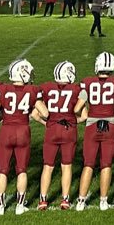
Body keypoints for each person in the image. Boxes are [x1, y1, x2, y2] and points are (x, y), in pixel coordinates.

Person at [0, 60, 36, 215]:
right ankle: (20, 206)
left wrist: (1, 113)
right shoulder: (32, 90)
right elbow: (45, 113)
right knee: (21, 170)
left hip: (6, 130)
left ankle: (0, 207)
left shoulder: (3, 89)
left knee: (3, 170)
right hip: (23, 130)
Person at [36, 60, 82, 210]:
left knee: (48, 166)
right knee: (66, 166)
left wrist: (47, 124)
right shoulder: (76, 89)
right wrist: (73, 123)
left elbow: (35, 113)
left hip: (52, 129)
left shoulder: (46, 88)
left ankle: (43, 200)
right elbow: (84, 115)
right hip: (69, 130)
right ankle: (65, 200)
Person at [77, 55, 114, 211]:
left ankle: (81, 202)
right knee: (106, 165)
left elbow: (77, 108)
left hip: (92, 125)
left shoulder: (88, 83)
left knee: (88, 164)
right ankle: (103, 202)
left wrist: (87, 112)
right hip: (110, 125)